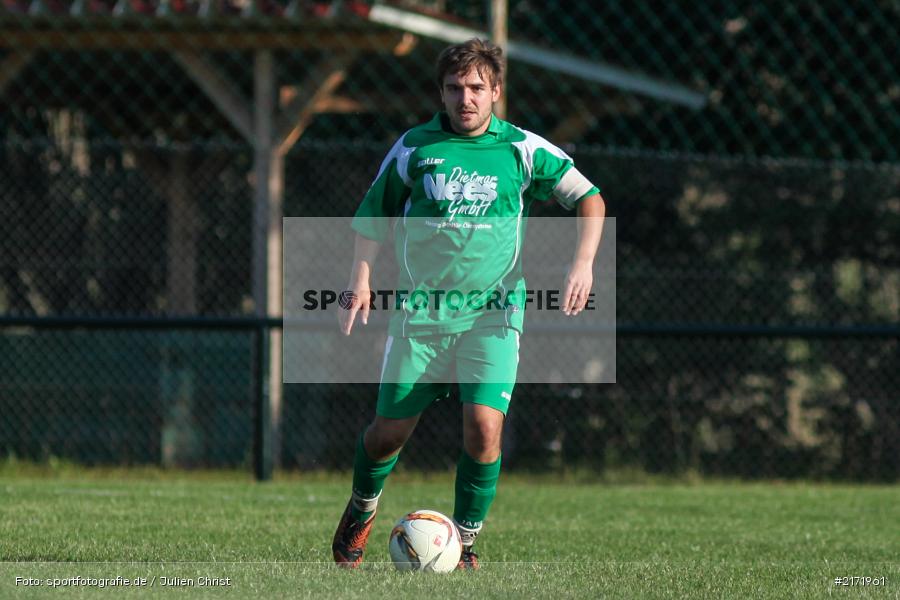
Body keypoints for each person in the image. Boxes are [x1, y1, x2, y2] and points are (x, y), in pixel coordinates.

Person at [331, 38, 606, 570]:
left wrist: (584, 262)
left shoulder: (522, 148)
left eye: (477, 87)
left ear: (496, 91)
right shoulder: (415, 147)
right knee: (387, 435)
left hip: (493, 316)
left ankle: (465, 542)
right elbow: (374, 215)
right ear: (442, 92)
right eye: (455, 88)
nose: (466, 98)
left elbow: (589, 196)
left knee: (483, 428)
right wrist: (359, 280)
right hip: (421, 315)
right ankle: (362, 509)